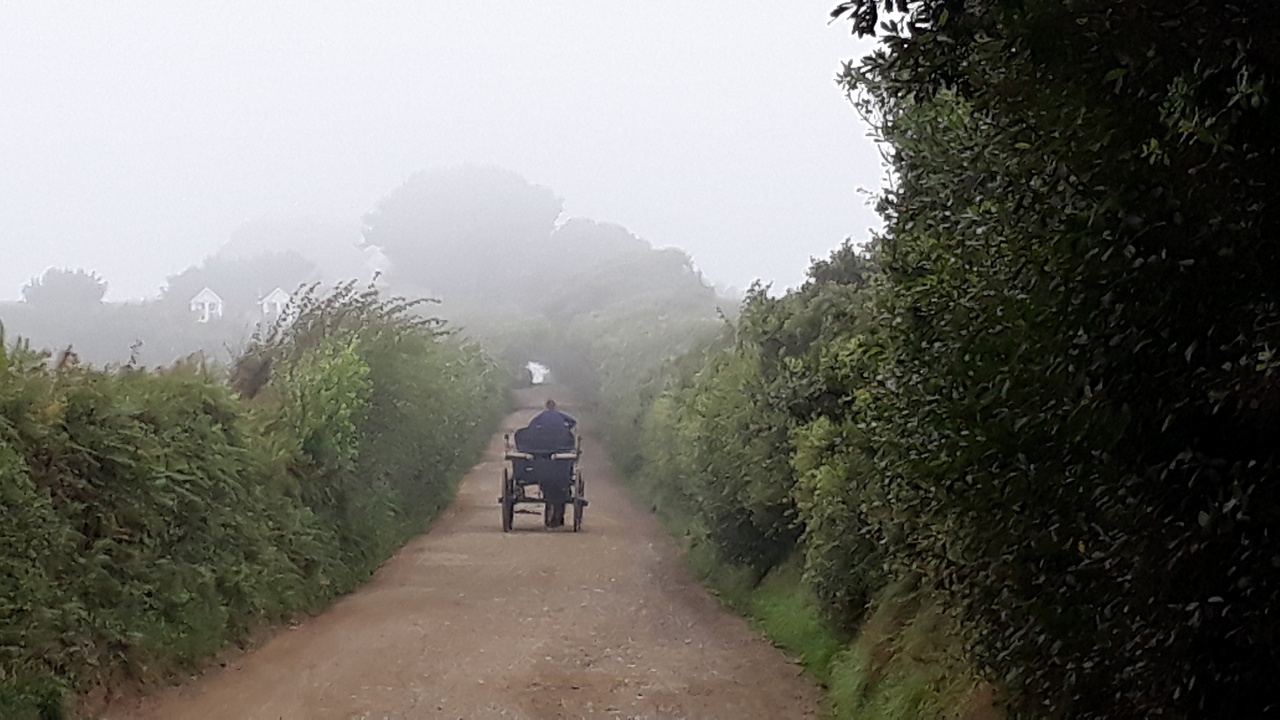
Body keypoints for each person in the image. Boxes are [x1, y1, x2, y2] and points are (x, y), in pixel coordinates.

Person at [528, 399, 576, 527]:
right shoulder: (560, 416)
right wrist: (565, 429)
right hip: (560, 449)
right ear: (555, 407)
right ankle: (558, 516)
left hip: (543, 451)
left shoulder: (542, 416)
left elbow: (531, 426)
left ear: (546, 407)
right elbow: (573, 422)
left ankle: (553, 515)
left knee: (550, 488)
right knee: (560, 489)